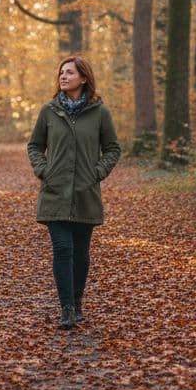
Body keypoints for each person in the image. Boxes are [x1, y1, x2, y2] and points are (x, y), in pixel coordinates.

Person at [27, 55, 121, 329]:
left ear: (83, 78)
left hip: (85, 193)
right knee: (62, 249)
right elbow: (34, 146)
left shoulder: (99, 112)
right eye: (61, 72)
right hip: (54, 192)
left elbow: (113, 149)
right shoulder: (49, 111)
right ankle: (66, 308)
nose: (63, 76)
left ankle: (78, 302)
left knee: (80, 253)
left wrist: (97, 172)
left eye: (69, 72)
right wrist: (44, 170)